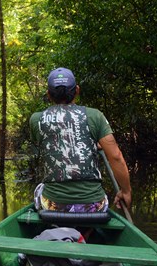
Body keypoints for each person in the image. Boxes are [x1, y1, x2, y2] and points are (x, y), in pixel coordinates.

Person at [30, 67, 132, 213]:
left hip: (53, 204)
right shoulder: (95, 116)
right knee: (97, 205)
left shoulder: (36, 119)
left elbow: (50, 144)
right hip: (94, 205)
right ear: (77, 90)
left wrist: (89, 141)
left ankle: (58, 228)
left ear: (48, 95)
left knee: (40, 188)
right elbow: (116, 157)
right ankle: (87, 232)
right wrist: (126, 191)